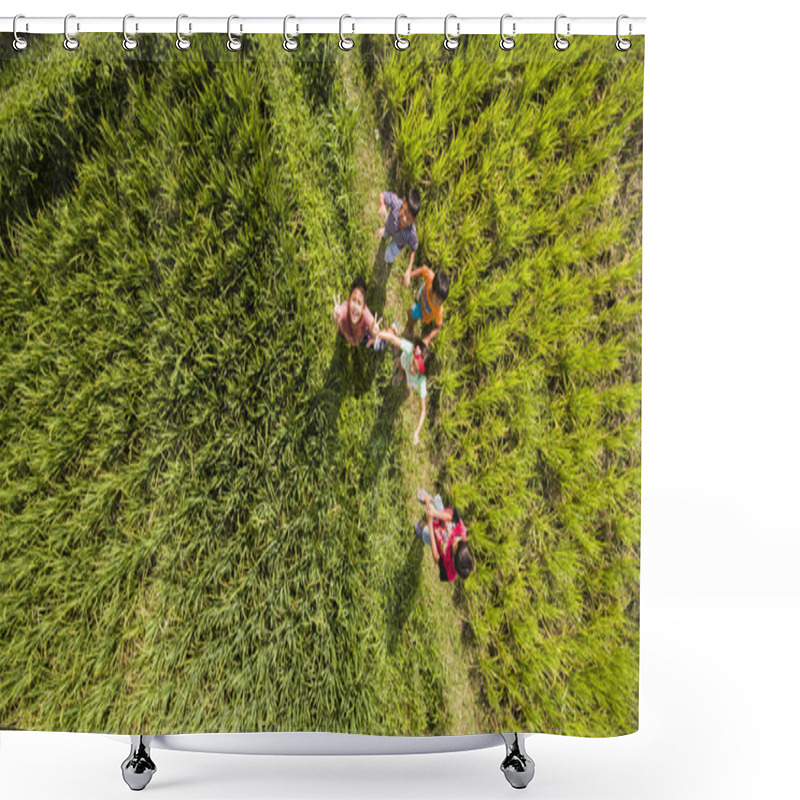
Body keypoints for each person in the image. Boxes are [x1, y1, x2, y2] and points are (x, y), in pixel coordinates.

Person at [374, 326, 427, 446]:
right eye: (413, 363)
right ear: (414, 354)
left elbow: (423, 410)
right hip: (404, 360)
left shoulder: (421, 380)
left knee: (404, 374)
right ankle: (395, 329)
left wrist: (417, 432)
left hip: (411, 380)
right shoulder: (410, 349)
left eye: (416, 370)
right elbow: (392, 339)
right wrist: (379, 334)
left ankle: (401, 373)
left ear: (421, 373)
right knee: (401, 361)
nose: (412, 369)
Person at [414, 489, 474, 583]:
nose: (456, 538)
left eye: (454, 544)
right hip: (443, 521)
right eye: (459, 539)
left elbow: (436, 557)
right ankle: (429, 500)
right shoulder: (462, 531)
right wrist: (434, 513)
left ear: (454, 560)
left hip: (439, 539)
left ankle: (424, 525)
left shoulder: (449, 572)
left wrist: (430, 524)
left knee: (426, 534)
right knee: (437, 503)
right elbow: (450, 517)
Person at [403, 266, 449, 348]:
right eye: (438, 300)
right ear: (433, 289)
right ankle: (417, 296)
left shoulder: (439, 310)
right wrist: (409, 275)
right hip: (422, 295)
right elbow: (422, 270)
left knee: (411, 312)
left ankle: (410, 328)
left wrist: (428, 338)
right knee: (419, 296)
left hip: (424, 312)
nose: (439, 303)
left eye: (442, 301)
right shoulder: (431, 277)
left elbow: (438, 327)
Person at [332, 276, 383, 348]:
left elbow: (372, 325)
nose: (355, 306)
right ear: (348, 301)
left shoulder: (365, 314)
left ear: (363, 308)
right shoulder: (344, 309)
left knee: (379, 344)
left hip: (361, 338)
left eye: (359, 303)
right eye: (353, 300)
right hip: (346, 334)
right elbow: (336, 318)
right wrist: (335, 316)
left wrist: (374, 332)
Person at [376, 188, 420, 271]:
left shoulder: (411, 233)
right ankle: (384, 233)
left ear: (414, 220)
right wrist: (382, 205)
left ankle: (389, 260)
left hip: (397, 244)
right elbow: (382, 195)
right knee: (385, 233)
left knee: (389, 255)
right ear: (403, 201)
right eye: (405, 212)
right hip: (389, 226)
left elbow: (414, 248)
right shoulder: (396, 203)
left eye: (409, 219)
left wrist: (409, 269)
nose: (404, 219)